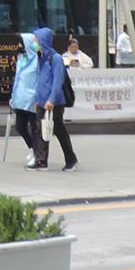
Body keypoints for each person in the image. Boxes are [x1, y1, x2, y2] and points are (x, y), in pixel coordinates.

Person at [36, 27, 77, 172]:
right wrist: (37, 98)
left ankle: (71, 159)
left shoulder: (56, 58)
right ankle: (41, 161)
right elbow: (39, 80)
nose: (35, 44)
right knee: (41, 130)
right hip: (42, 101)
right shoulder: (40, 58)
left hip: (54, 102)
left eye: (37, 41)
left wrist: (52, 100)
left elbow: (57, 81)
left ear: (43, 41)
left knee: (59, 130)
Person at [11, 31, 44, 169]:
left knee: (35, 129)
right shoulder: (21, 59)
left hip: (32, 100)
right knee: (20, 126)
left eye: (21, 43)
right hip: (20, 99)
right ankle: (32, 148)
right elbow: (17, 79)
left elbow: (39, 81)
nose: (18, 46)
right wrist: (13, 97)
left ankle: (38, 155)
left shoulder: (37, 62)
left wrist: (38, 97)